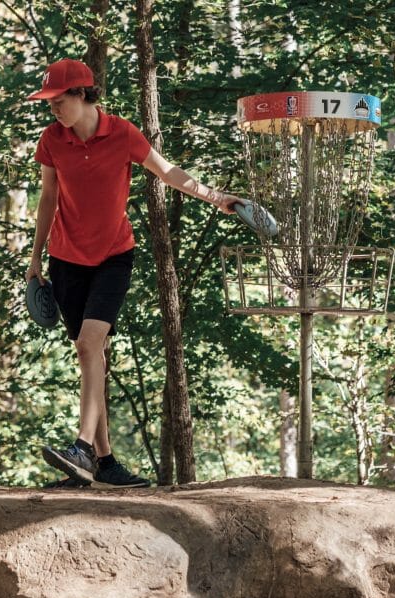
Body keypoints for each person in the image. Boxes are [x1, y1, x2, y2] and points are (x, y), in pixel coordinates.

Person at [26, 58, 240, 489]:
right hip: (65, 261)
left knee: (90, 346)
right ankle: (103, 464)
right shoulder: (52, 139)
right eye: (48, 102)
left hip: (112, 259)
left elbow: (168, 172)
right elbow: (48, 197)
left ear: (84, 94)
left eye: (59, 100)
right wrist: (34, 260)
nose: (54, 109)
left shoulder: (121, 133)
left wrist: (216, 197)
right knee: (91, 356)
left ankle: (83, 448)